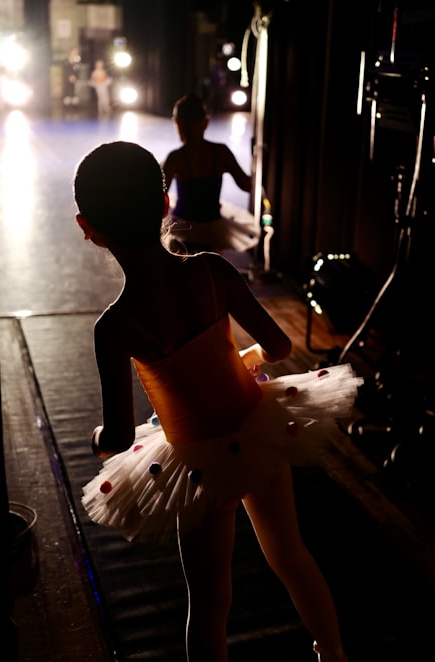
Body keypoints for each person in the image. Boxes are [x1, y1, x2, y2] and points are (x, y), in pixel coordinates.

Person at [73, 141, 360, 662]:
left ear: (87, 227)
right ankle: (333, 653)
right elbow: (278, 347)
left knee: (208, 601)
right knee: (291, 555)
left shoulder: (113, 328)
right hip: (256, 428)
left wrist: (96, 440)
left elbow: (115, 438)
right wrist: (243, 359)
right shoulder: (211, 271)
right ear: (165, 205)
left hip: (195, 461)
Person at [161, 94, 258, 255]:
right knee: (211, 273)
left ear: (177, 124)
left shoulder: (176, 157)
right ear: (206, 123)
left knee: (182, 273)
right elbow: (246, 185)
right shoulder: (220, 152)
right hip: (213, 227)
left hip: (183, 229)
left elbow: (160, 196)